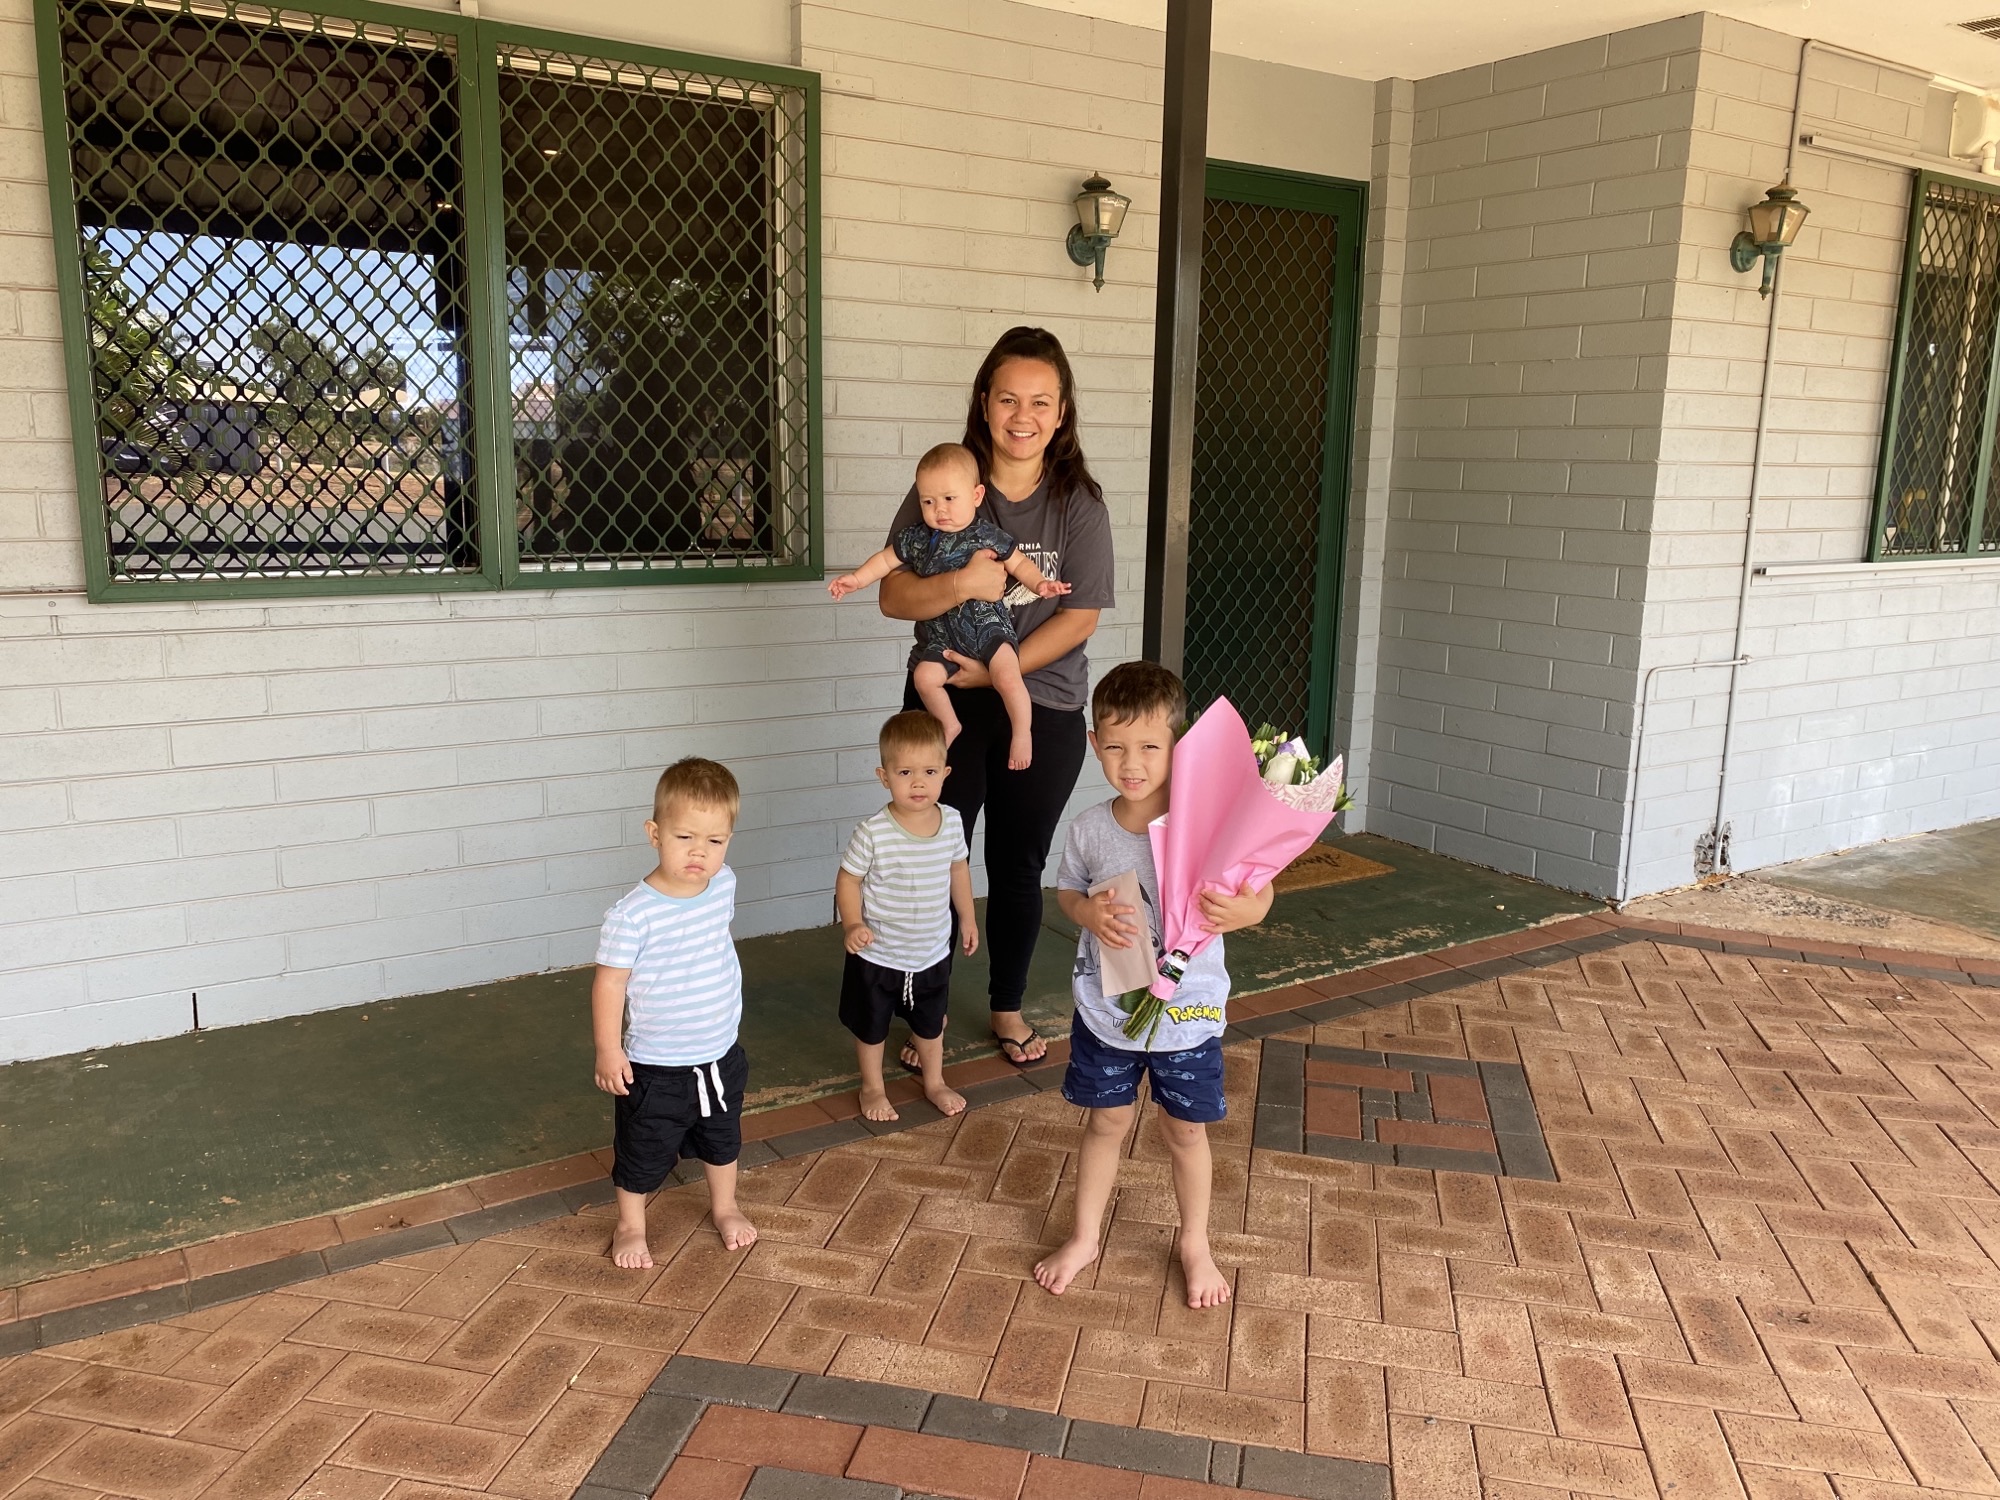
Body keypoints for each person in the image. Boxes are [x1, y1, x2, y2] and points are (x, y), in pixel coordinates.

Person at [877, 327, 1115, 1070]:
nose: (1023, 414)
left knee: (1019, 866)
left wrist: (999, 672)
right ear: (984, 403)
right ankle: (929, 1020)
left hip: (1040, 704)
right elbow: (892, 594)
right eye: (1008, 397)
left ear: (1062, 410)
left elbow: (1081, 615)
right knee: (933, 859)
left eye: (1041, 401)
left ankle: (1007, 1010)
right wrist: (963, 586)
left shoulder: (1077, 502)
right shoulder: (945, 485)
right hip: (944, 700)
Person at [1033, 662, 1275, 1309]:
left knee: (1186, 1132)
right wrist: (1085, 913)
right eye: (1114, 746)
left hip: (1188, 1016)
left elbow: (1261, 888)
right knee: (1105, 1122)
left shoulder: (1205, 822)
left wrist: (1245, 912)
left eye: (1148, 746)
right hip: (1107, 1014)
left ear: (1178, 744)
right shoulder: (1089, 827)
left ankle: (1195, 1242)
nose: (1130, 762)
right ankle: (1085, 1236)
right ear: (1093, 744)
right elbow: (1067, 890)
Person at [591, 758, 758, 1269]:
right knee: (643, 1149)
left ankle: (725, 1207)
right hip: (657, 1064)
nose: (699, 853)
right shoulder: (633, 914)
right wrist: (607, 1048)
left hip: (719, 1054)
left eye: (715, 840)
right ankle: (630, 1225)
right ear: (654, 833)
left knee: (722, 1138)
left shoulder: (722, 883)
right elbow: (610, 982)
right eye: (685, 837)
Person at [829, 444, 1070, 769]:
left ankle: (1022, 732)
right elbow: (886, 560)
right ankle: (948, 723)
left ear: (976, 495)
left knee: (1008, 678)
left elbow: (1018, 562)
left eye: (949, 499)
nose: (939, 509)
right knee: (925, 678)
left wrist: (1040, 584)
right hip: (942, 638)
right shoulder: (916, 537)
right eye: (928, 501)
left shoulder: (984, 534)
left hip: (988, 629)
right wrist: (857, 580)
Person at [836, 710, 977, 1122]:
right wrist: (852, 923)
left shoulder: (951, 822)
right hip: (878, 955)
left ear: (945, 773)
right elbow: (847, 880)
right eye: (905, 772)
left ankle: (934, 1081)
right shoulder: (873, 832)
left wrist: (967, 918)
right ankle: (872, 1087)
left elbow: (959, 870)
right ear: (884, 777)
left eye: (930, 771)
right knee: (872, 1027)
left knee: (931, 1026)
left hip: (931, 952)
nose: (918, 782)